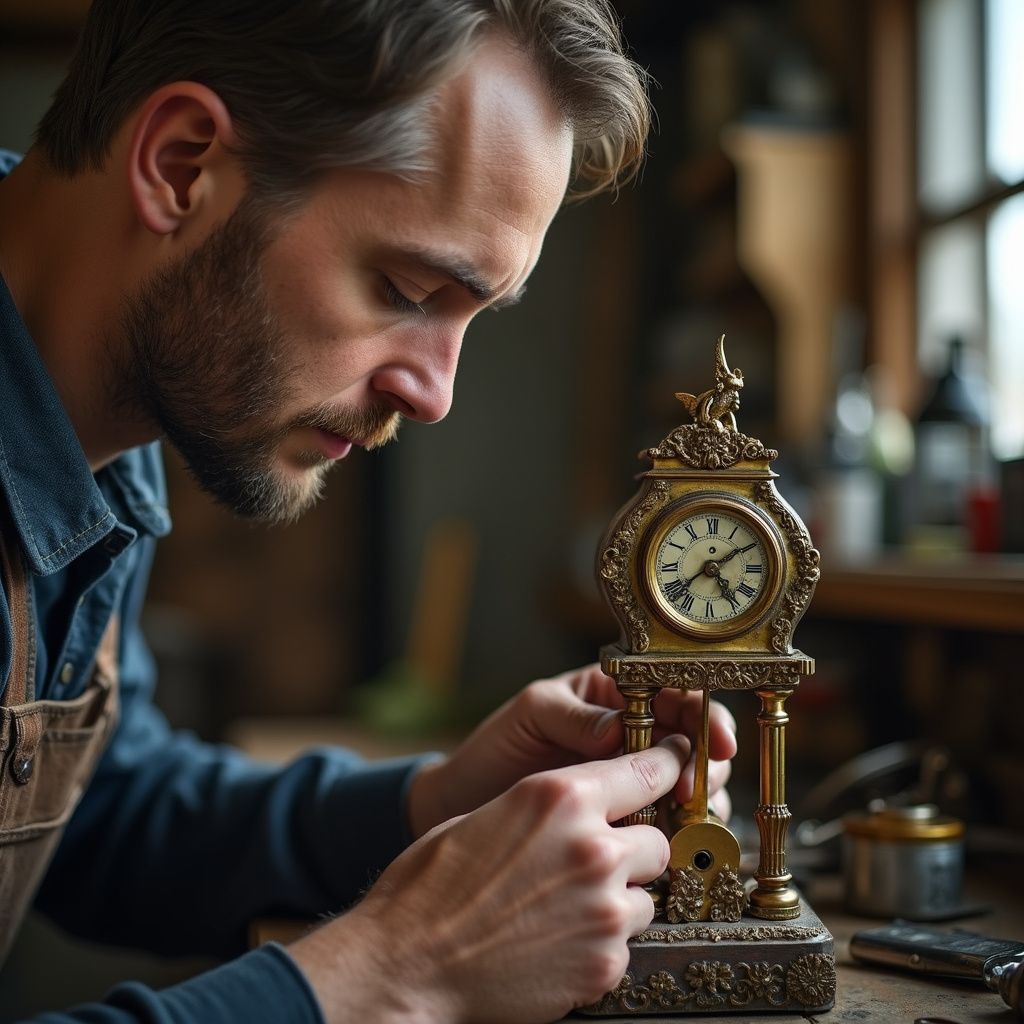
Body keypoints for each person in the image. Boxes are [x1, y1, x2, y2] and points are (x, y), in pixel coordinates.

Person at [0, 2, 737, 1021]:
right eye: (404, 287)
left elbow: (97, 809)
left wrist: (428, 805)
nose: (434, 395)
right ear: (180, 165)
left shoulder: (101, 420)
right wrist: (400, 967)